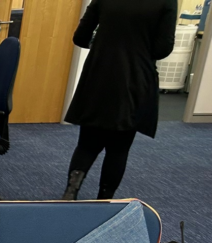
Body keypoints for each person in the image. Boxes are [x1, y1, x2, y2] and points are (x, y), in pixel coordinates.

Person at [62, 0, 177, 200]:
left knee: (87, 142)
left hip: (99, 74)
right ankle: (104, 199)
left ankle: (71, 191)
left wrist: (104, 45)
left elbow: (81, 37)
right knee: (119, 148)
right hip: (135, 77)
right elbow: (162, 48)